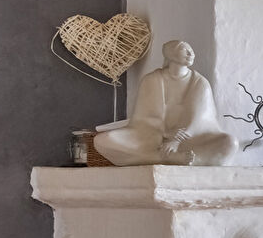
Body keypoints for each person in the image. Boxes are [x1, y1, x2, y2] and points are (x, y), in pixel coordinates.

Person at [95, 40, 237, 166]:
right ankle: (164, 158)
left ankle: (190, 159)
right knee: (102, 141)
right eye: (184, 49)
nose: (190, 53)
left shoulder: (200, 82)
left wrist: (176, 141)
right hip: (151, 138)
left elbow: (200, 119)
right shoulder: (151, 80)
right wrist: (166, 134)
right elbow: (143, 119)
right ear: (170, 54)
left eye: (191, 50)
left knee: (230, 143)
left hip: (190, 140)